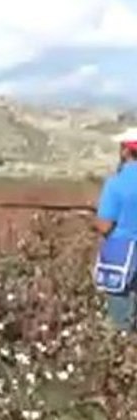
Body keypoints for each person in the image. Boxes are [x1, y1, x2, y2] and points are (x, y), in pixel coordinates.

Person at [94, 128, 137, 331]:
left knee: (122, 321)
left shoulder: (116, 184)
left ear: (125, 152)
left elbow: (105, 226)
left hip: (123, 254)